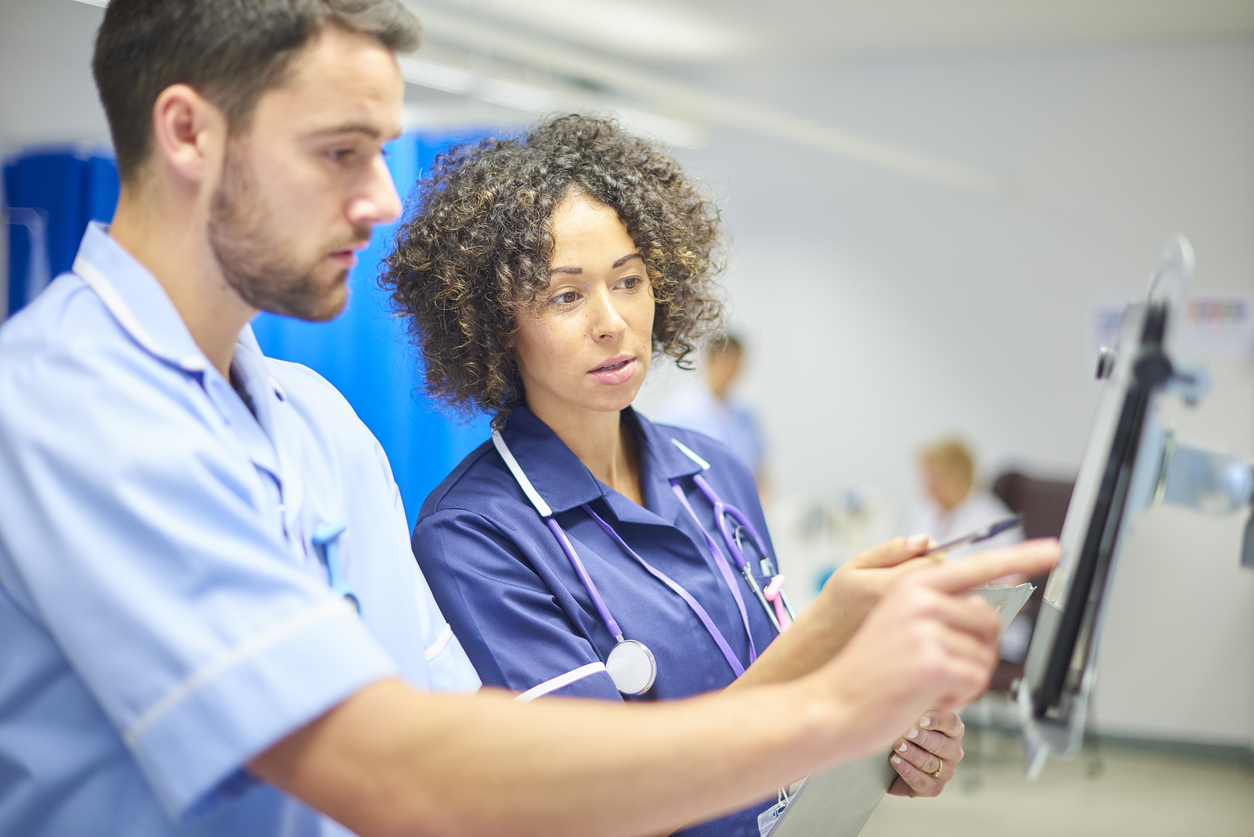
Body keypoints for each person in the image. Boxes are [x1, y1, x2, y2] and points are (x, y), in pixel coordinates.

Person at [0, 2, 1058, 836]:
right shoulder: (71, 410)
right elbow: (389, 769)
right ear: (186, 131)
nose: (379, 197)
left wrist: (842, 743)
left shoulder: (317, 424)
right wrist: (833, 696)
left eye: (384, 151)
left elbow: (467, 732)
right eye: (339, 151)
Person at [385, 114, 1041, 835]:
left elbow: (782, 706)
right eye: (565, 295)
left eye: (629, 280)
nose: (612, 322)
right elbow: (600, 798)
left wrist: (882, 735)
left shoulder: (714, 471)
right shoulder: (473, 533)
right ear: (494, 324)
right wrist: (826, 631)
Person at [657, 331, 767, 483]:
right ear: (712, 360)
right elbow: (671, 464)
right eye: (729, 362)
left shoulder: (744, 412)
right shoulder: (681, 411)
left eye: (738, 363)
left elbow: (758, 465)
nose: (734, 371)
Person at [907, 438, 1023, 558]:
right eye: (927, 476)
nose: (928, 484)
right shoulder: (923, 510)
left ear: (957, 478)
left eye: (935, 477)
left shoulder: (996, 524)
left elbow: (1014, 574)